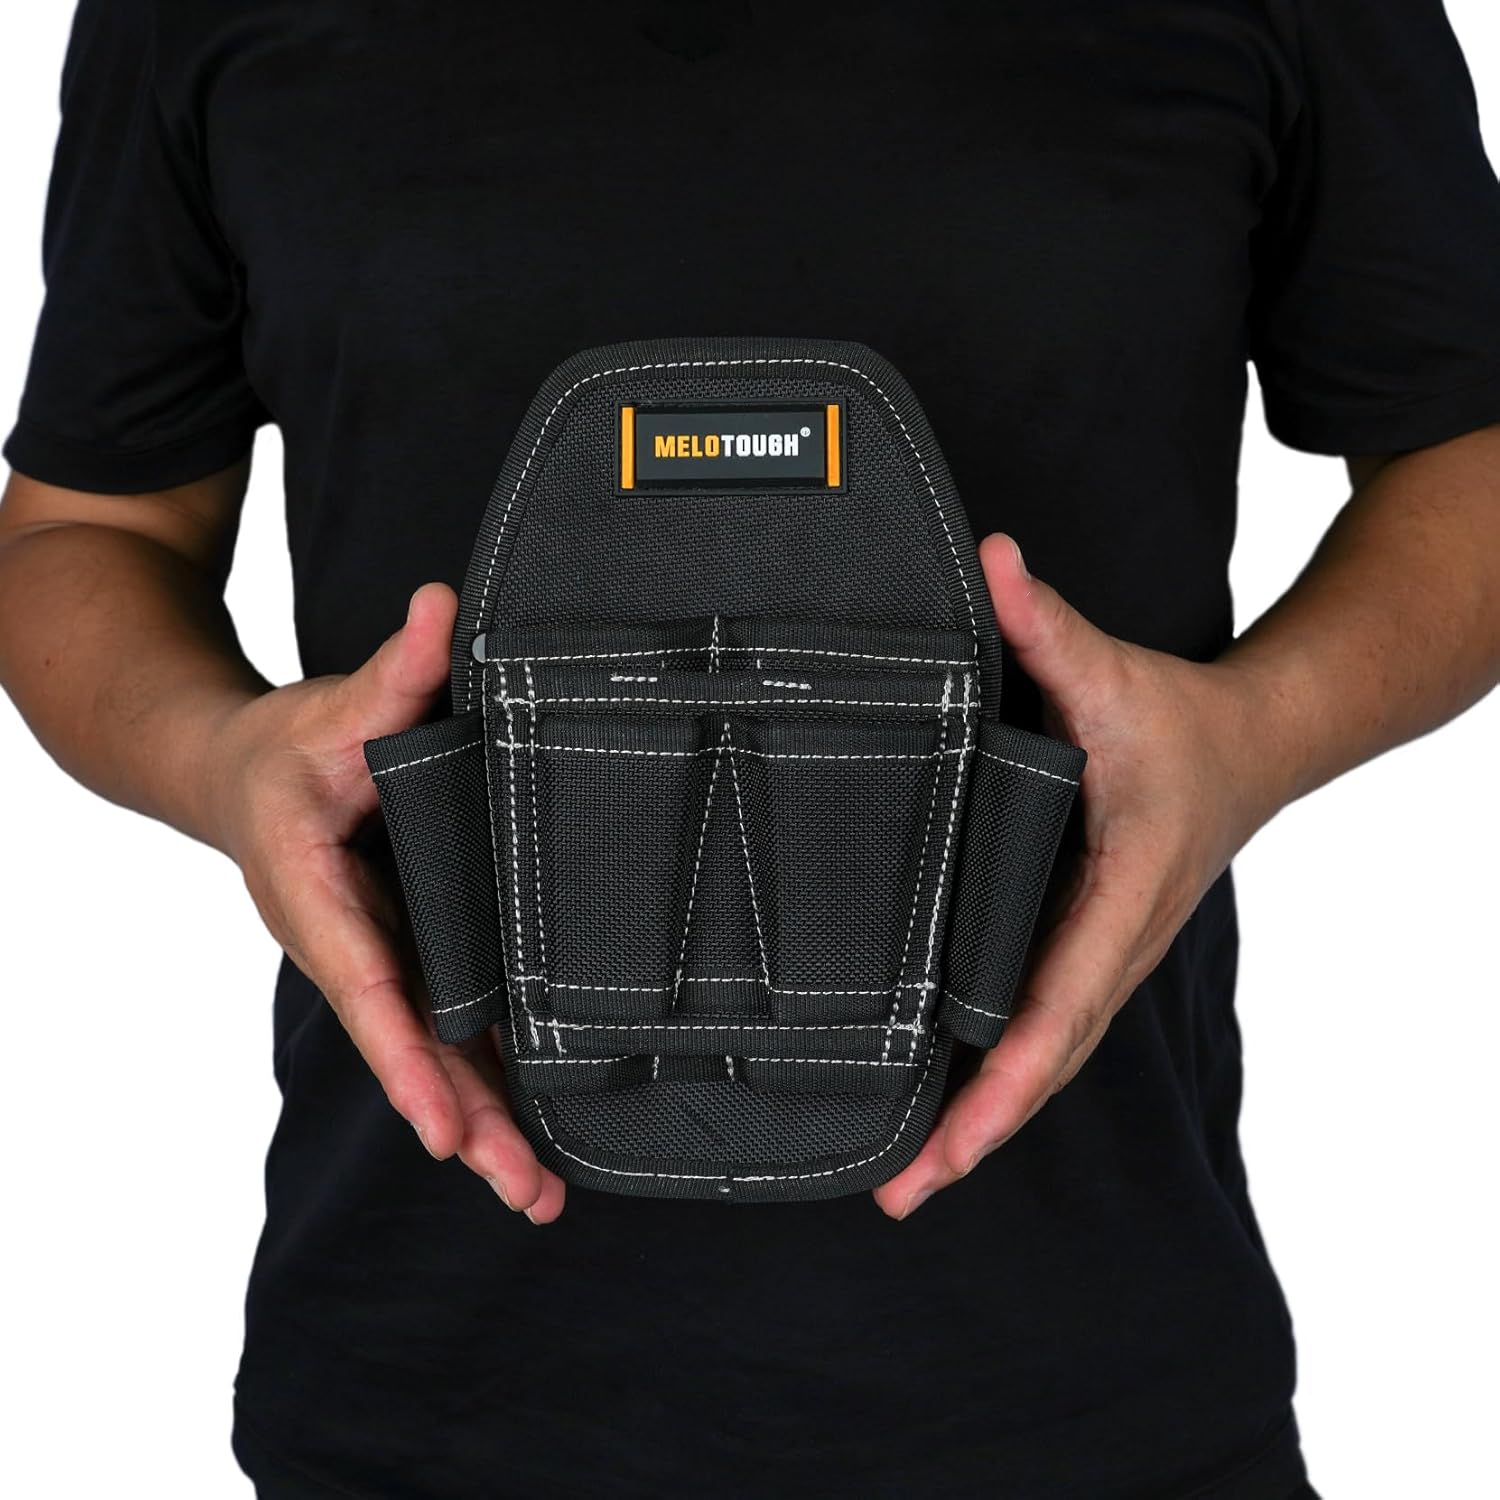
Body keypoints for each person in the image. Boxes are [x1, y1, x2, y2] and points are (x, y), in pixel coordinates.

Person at [2, 1, 1498, 1495]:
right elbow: (86, 527)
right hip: (419, 1384)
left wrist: (1254, 736)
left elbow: (1470, 449)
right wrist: (221, 762)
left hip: (1101, 1386)